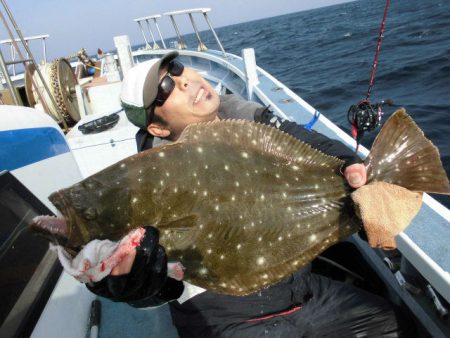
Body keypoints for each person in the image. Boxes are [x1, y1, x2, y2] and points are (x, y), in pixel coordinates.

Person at [84, 51, 414, 337]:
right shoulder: (150, 181)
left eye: (178, 69)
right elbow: (147, 277)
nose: (182, 81)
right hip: (228, 318)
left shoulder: (248, 118)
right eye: (165, 89)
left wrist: (348, 166)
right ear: (157, 128)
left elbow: (308, 143)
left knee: (395, 324)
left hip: (301, 288)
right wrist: (133, 284)